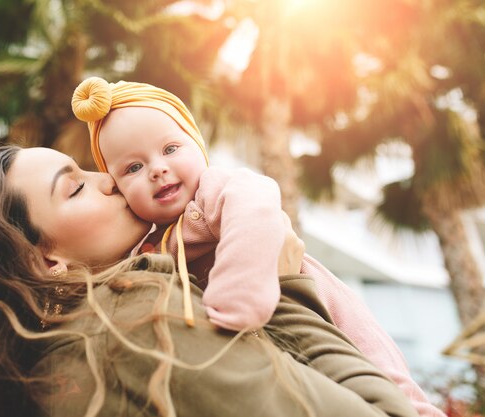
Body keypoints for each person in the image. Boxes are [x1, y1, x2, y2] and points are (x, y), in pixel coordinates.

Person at [0, 145, 420, 417]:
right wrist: (284, 285)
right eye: (74, 187)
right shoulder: (135, 323)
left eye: (88, 168)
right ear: (42, 262)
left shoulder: (42, 366)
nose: (109, 181)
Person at [70, 76, 446, 417]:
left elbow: (255, 208)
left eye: (170, 149)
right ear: (117, 186)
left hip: (320, 309)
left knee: (382, 373)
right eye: (132, 168)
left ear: (198, 146)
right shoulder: (151, 247)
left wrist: (238, 291)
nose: (156, 169)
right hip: (278, 354)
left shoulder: (218, 189)